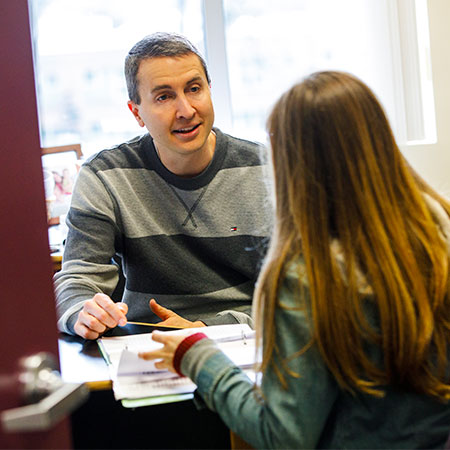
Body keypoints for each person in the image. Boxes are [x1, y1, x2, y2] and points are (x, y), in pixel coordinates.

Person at [140, 71, 450, 448]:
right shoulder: (435, 232)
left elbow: (283, 435)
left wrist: (197, 354)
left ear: (292, 165)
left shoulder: (310, 275)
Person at [54, 32, 271, 339]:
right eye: (164, 97)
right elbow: (76, 278)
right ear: (137, 113)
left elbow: (299, 298)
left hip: (247, 343)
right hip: (146, 346)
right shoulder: (104, 175)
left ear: (210, 90)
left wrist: (208, 331)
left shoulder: (268, 169)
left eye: (194, 89)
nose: (185, 110)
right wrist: (82, 312)